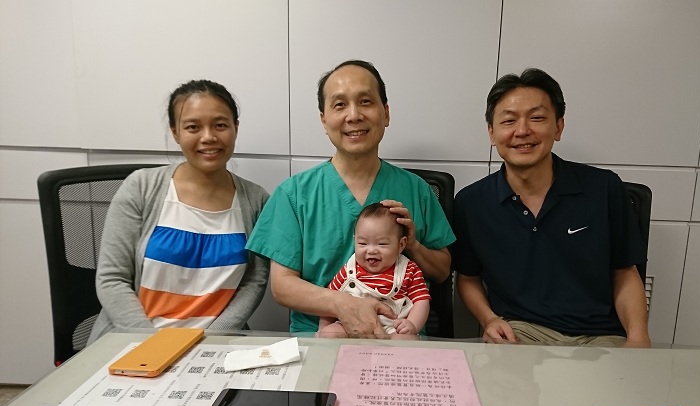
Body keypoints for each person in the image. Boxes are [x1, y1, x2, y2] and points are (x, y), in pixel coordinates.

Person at [246, 59, 455, 336]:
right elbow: (282, 286)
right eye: (340, 105)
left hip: (400, 338)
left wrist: (413, 245)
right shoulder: (294, 195)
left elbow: (442, 271)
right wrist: (343, 305)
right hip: (322, 338)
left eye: (365, 102)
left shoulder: (417, 190)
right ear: (324, 120)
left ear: (386, 113)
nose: (354, 115)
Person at [453, 68, 651, 347]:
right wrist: (489, 320)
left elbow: (625, 272)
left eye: (537, 118)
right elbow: (468, 278)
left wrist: (638, 337)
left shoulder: (604, 188)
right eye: (509, 121)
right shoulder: (471, 202)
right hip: (522, 331)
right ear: (492, 133)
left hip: (600, 336)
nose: (522, 131)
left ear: (558, 127)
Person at [87, 80, 270, 344]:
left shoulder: (257, 200)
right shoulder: (141, 187)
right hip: (134, 341)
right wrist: (155, 346)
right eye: (193, 127)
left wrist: (210, 341)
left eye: (220, 125)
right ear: (175, 132)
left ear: (235, 128)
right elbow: (111, 279)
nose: (208, 137)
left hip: (213, 346)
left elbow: (254, 282)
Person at [319, 203, 431, 337]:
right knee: (329, 333)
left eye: (382, 244)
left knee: (407, 339)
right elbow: (331, 300)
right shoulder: (349, 270)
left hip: (393, 327)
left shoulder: (408, 270)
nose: (371, 250)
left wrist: (412, 325)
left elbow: (421, 301)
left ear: (401, 245)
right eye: (363, 243)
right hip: (352, 325)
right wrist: (322, 329)